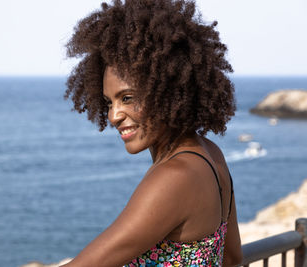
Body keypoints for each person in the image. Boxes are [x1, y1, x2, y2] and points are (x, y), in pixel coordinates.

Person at [62, 0, 243, 266]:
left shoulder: (173, 178)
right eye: (109, 102)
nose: (113, 116)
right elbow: (232, 257)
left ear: (168, 89)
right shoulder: (210, 154)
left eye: (127, 98)